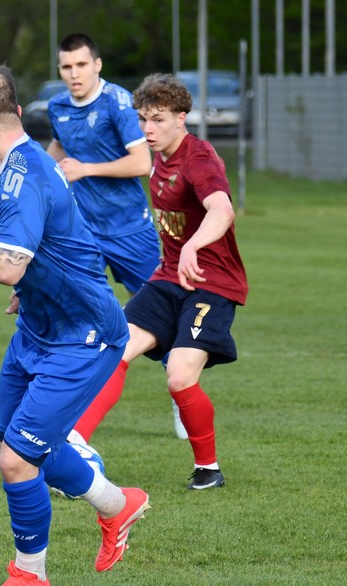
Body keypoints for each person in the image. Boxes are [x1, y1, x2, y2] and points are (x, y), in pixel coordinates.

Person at [0, 62, 150, 586]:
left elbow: (4, 266)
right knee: (11, 446)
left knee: (17, 459)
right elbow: (66, 239)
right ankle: (119, 505)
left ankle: (31, 579)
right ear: (18, 112)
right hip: (40, 327)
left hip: (82, 336)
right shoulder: (24, 165)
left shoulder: (21, 177)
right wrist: (35, 287)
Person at [69, 72, 249, 490]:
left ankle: (208, 468)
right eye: (143, 119)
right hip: (168, 278)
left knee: (180, 376)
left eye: (158, 119)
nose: (148, 128)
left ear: (181, 118)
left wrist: (193, 246)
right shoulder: (158, 159)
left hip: (212, 283)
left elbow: (222, 210)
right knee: (114, 347)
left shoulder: (198, 158)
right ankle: (74, 444)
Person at [46, 33, 187, 440]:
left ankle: (180, 392)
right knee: (75, 316)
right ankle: (68, 411)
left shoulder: (119, 103)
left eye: (81, 65)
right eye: (66, 67)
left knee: (162, 312)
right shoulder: (57, 107)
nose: (74, 74)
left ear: (97, 65)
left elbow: (142, 162)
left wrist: (85, 169)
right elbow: (58, 149)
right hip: (83, 233)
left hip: (129, 230)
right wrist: (37, 171)